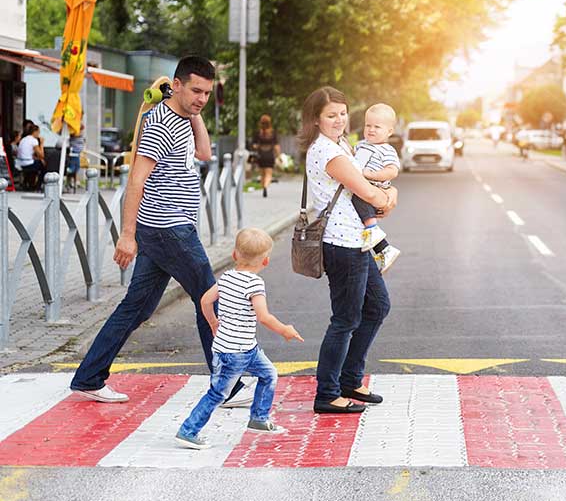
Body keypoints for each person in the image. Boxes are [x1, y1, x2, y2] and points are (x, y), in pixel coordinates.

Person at [70, 56, 250, 407]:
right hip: (170, 229)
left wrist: (194, 111)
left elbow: (204, 152)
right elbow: (135, 180)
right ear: (176, 85)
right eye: (195, 90)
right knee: (210, 297)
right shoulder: (159, 126)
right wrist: (126, 234)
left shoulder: (182, 118)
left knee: (137, 307)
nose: (201, 98)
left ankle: (89, 377)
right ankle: (226, 384)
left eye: (207, 93)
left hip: (165, 230)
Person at [299, 86, 397, 414]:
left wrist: (386, 193)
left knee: (377, 306)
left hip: (356, 240)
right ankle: (327, 393)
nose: (339, 120)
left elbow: (371, 189)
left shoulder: (340, 143)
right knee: (345, 319)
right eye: (331, 115)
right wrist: (387, 197)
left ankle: (350, 379)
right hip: (341, 243)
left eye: (343, 113)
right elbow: (366, 191)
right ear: (316, 119)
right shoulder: (328, 152)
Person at [175, 228, 302, 449]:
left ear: (234, 255)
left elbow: (205, 300)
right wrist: (285, 330)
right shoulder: (255, 284)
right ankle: (188, 430)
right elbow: (263, 317)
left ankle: (259, 419)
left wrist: (213, 323)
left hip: (243, 348)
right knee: (218, 394)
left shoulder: (226, 278)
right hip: (235, 353)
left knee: (269, 374)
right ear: (266, 261)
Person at [351, 104, 403, 273]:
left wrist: (370, 175)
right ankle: (383, 249)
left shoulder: (387, 150)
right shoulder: (360, 145)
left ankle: (372, 228)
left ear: (389, 131)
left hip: (374, 187)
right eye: (368, 125)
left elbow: (392, 171)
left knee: (359, 197)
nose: (371, 130)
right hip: (362, 184)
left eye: (377, 127)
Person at [252, 114, 280, 198]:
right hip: (269, 155)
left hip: (261, 155)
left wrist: (257, 146)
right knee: (269, 174)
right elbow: (276, 147)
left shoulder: (258, 133)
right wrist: (278, 156)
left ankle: (263, 185)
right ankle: (265, 186)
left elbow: (254, 145)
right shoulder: (273, 133)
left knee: (262, 174)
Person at [14, 123, 45, 190]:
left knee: (36, 163)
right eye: (38, 132)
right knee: (43, 166)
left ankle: (27, 183)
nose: (39, 134)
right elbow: (41, 155)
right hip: (27, 163)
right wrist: (42, 144)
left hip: (20, 162)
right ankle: (38, 186)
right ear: (35, 132)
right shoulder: (34, 140)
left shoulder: (23, 139)